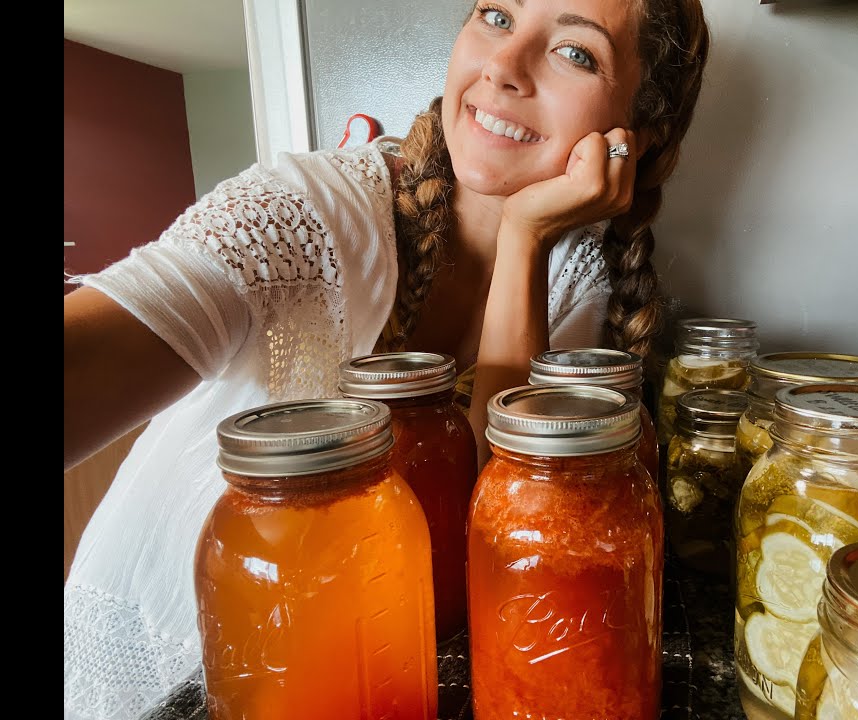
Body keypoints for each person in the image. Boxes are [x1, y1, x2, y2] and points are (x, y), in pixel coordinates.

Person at [63, 0, 710, 716]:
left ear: (638, 135)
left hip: (375, 666)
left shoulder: (574, 274)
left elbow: (497, 525)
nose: (502, 65)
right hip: (165, 661)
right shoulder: (299, 211)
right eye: (496, 16)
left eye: (575, 53)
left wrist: (524, 237)